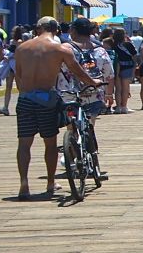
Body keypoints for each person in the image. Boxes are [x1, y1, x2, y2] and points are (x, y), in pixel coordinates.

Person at [14, 17, 97, 199]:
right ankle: (51, 182)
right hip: (47, 99)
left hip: (25, 98)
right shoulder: (60, 49)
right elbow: (77, 71)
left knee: (24, 143)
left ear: (37, 29)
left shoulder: (21, 48)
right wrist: (94, 82)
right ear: (57, 30)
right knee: (50, 143)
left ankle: (24, 184)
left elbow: (18, 77)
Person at [63, 17, 114, 178]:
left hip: (69, 94)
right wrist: (109, 94)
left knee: (71, 127)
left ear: (74, 31)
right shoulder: (100, 50)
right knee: (89, 125)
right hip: (94, 93)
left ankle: (73, 154)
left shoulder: (65, 49)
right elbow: (109, 74)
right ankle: (89, 157)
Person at [110, 26, 136, 113]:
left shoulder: (112, 45)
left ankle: (118, 108)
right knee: (125, 88)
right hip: (127, 66)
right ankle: (124, 107)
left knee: (118, 88)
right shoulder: (128, 44)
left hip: (116, 67)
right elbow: (134, 56)